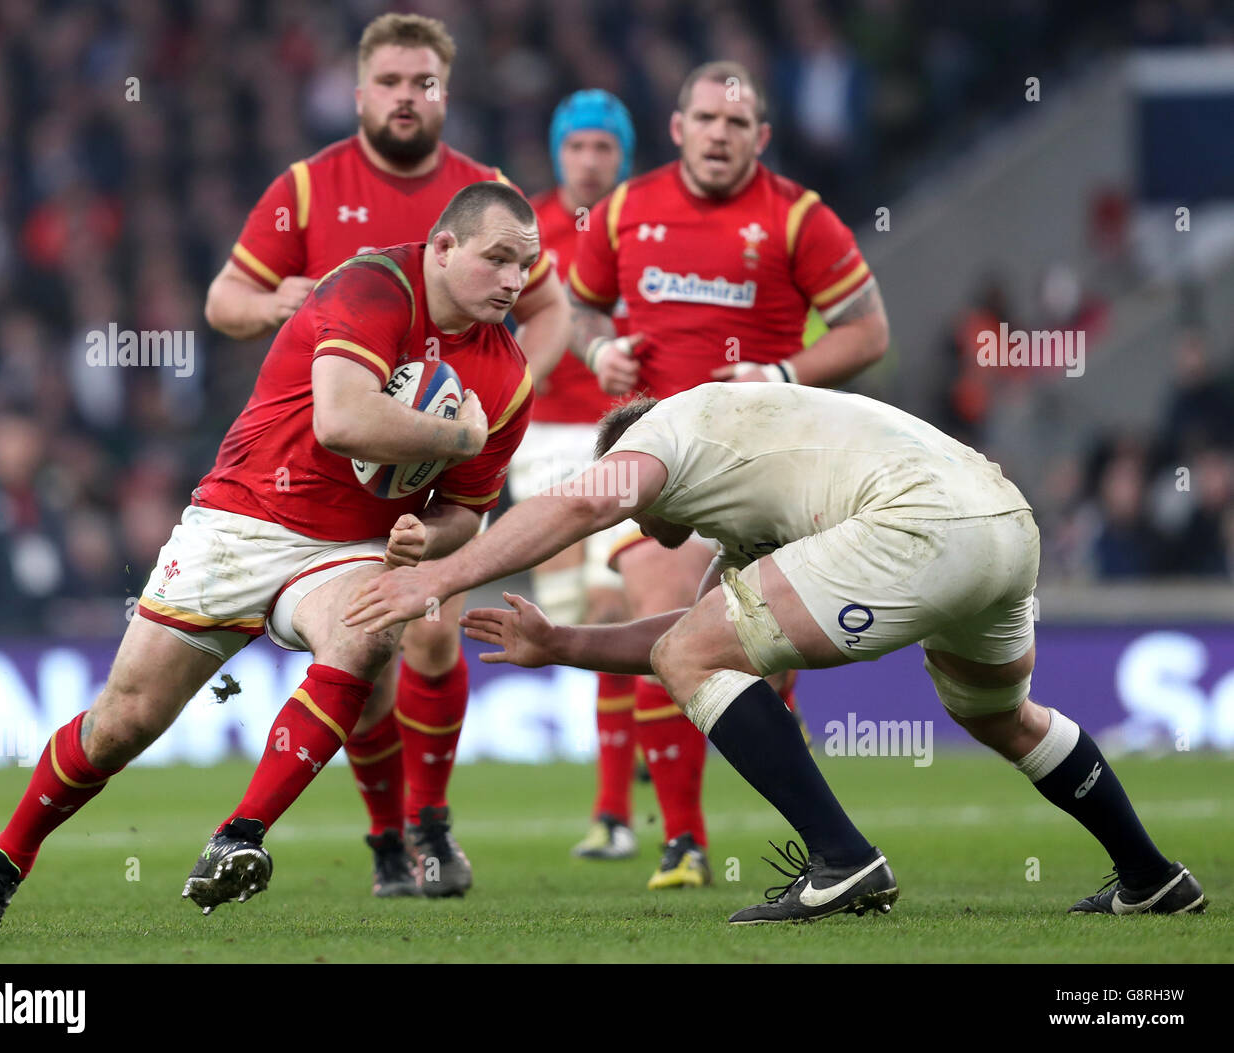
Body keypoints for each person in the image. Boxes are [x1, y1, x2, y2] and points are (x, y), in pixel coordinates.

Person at [346, 383, 1206, 923]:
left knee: (697, 651)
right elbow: (693, 635)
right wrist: (563, 640)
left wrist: (445, 576)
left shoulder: (668, 435)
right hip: (1001, 521)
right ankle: (1150, 872)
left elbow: (580, 510)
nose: (638, 531)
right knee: (998, 714)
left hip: (918, 522)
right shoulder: (744, 481)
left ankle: (843, 860)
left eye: (637, 514)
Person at [0, 182, 539, 928]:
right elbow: (343, 419)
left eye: (525, 265)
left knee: (368, 634)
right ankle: (3, 857)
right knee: (124, 721)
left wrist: (430, 537)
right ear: (444, 248)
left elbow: (468, 513)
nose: (514, 280)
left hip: (347, 546)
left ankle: (241, 836)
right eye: (498, 259)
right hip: (240, 519)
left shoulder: (509, 377)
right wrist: (459, 437)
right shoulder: (372, 284)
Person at [204, 12, 569, 898]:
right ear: (362, 91)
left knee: (434, 631)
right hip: (319, 460)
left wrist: (506, 402)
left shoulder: (486, 194)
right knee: (367, 674)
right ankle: (385, 842)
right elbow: (223, 299)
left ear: (445, 92)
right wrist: (276, 302)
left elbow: (552, 311)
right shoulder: (307, 186)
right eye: (393, 82)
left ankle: (431, 826)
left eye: (425, 83)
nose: (408, 97)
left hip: (440, 463)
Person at [560, 60, 889, 888]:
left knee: (758, 652)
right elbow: (575, 306)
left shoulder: (799, 217)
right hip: (664, 460)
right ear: (677, 128)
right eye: (705, 119)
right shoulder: (627, 210)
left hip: (773, 463)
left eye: (736, 124)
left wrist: (780, 374)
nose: (718, 133)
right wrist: (600, 347)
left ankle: (810, 807)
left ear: (761, 138)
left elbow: (868, 330)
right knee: (666, 616)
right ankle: (684, 841)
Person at [514, 90, 640, 861]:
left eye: (603, 147)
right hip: (543, 436)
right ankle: (633, 755)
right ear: (559, 154)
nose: (590, 161)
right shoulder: (522, 227)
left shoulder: (645, 224)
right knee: (569, 621)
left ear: (621, 154)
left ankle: (614, 811)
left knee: (610, 603)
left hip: (626, 427)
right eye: (578, 147)